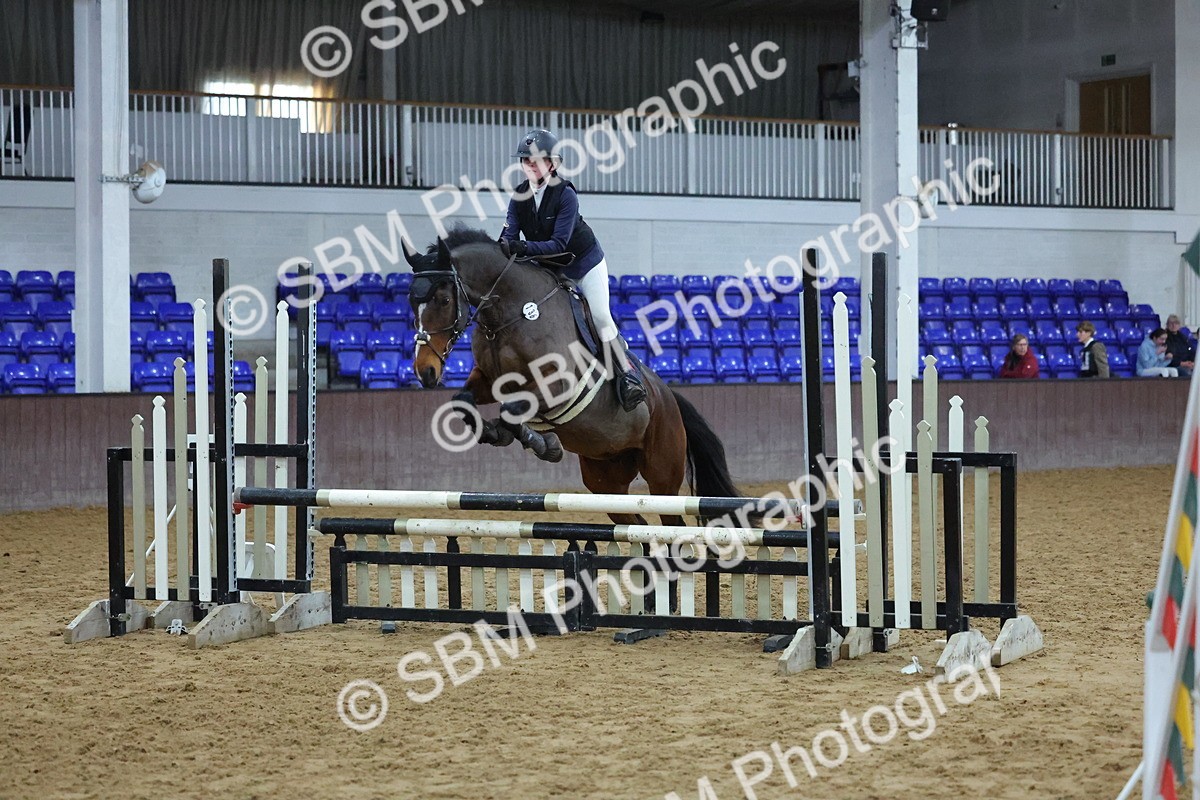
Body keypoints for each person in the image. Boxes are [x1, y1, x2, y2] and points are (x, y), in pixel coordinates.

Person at [498, 129, 646, 412]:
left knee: (601, 317)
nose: (530, 165)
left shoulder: (565, 194)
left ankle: (627, 376)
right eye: (526, 161)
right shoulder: (518, 195)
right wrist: (501, 249)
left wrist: (521, 248)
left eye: (537, 161)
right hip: (550, 268)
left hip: (583, 263)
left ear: (552, 165)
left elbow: (559, 243)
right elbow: (508, 237)